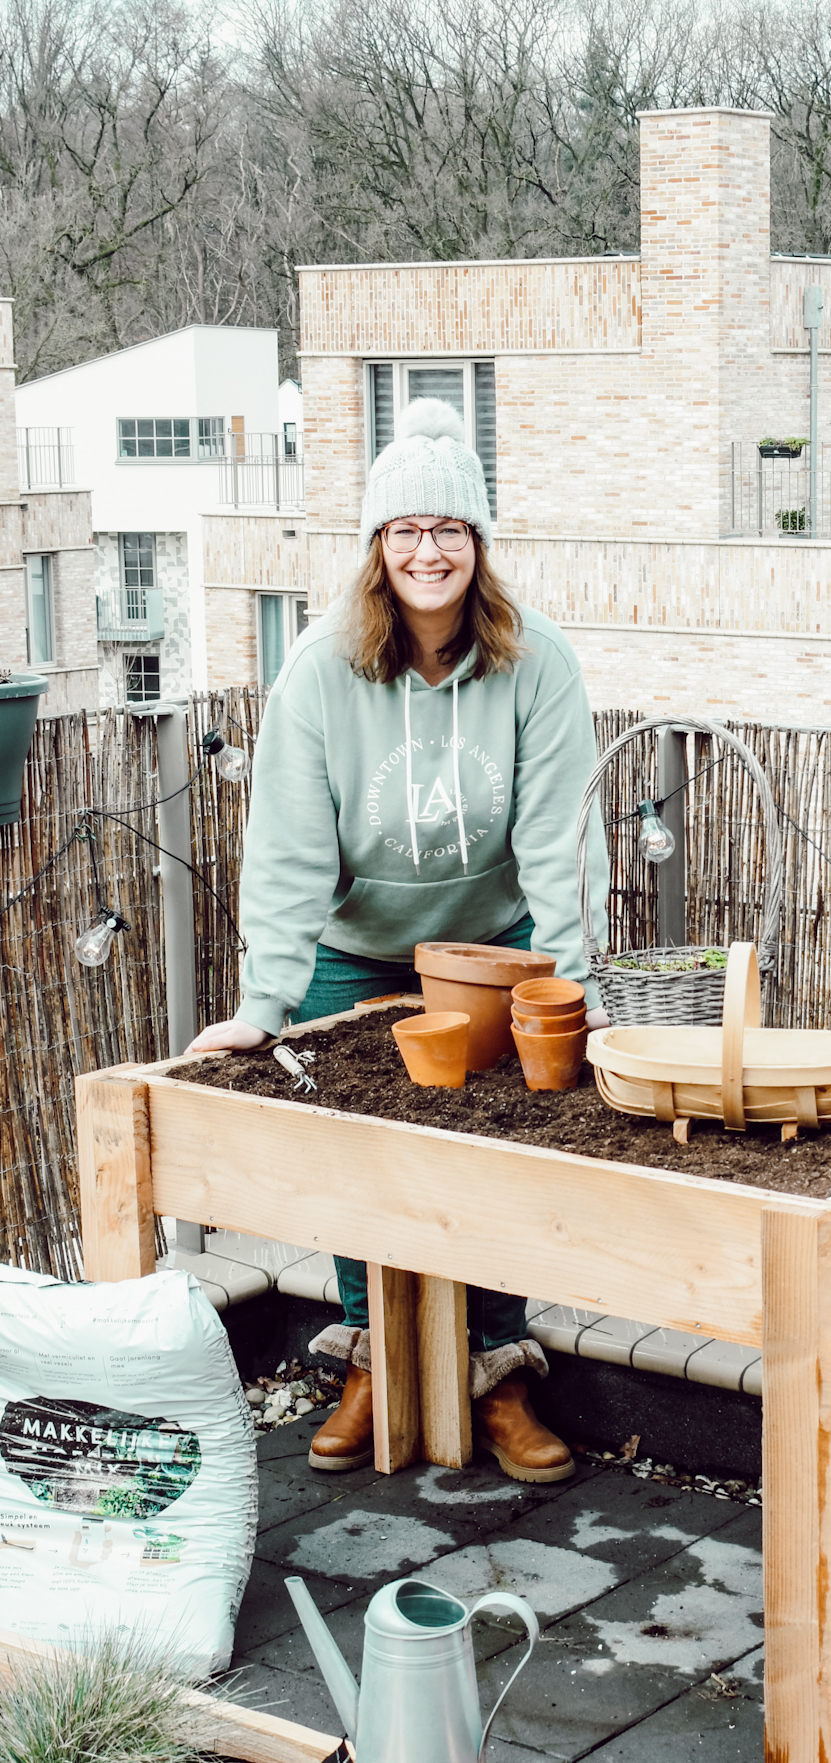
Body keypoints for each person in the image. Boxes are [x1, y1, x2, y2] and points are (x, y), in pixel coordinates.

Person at [187, 399, 609, 1482]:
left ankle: (497, 1365)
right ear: (377, 548)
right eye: (405, 530)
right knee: (355, 1157)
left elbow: (561, 833)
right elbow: (285, 847)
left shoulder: (538, 662)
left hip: (494, 942)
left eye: (450, 529)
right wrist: (266, 1002)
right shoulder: (323, 669)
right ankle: (374, 1355)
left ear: (478, 544)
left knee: (500, 1151)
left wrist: (570, 984)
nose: (429, 550)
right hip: (358, 946)